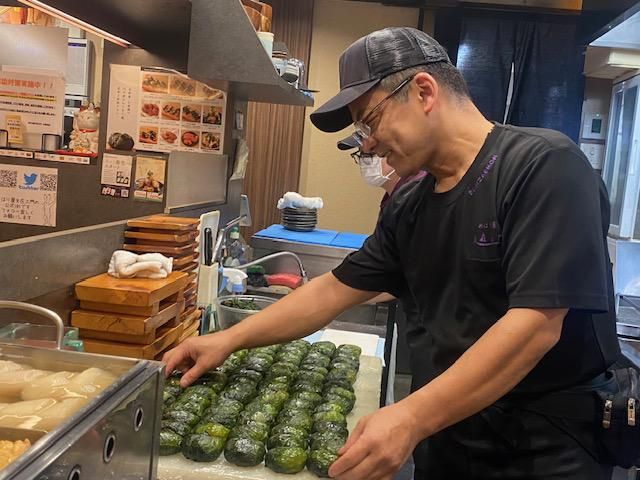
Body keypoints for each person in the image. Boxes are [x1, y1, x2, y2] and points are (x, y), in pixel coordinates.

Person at [164, 27, 621, 479]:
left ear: (423, 91)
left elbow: (535, 325)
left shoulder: (543, 166)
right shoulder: (410, 203)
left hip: (543, 452)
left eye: (369, 120)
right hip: (447, 439)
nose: (367, 143)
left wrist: (411, 417)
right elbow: (333, 291)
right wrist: (227, 340)